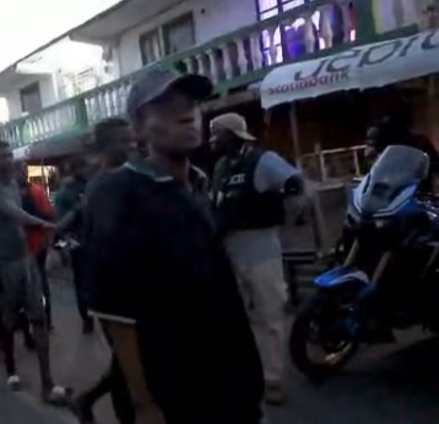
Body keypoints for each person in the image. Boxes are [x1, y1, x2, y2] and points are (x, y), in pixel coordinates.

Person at [85, 68, 264, 423]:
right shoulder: (118, 191)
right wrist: (143, 403)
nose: (187, 115)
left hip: (230, 381)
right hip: (173, 393)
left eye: (191, 105)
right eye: (167, 108)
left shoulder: (196, 185)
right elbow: (115, 310)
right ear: (138, 129)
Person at [210, 112, 304, 405]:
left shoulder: (262, 160)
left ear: (233, 134)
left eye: (216, 133)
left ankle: (273, 377)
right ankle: (249, 371)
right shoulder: (221, 167)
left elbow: (294, 182)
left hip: (260, 248)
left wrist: (290, 216)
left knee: (269, 314)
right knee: (239, 317)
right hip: (230, 250)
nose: (211, 139)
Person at [0, 140, 67, 404]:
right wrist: (46, 224)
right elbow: (15, 214)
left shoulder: (12, 185)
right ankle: (11, 369)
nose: (8, 160)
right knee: (8, 321)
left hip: (24, 259)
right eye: (2, 156)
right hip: (4, 263)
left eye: (9, 155)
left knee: (38, 317)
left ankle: (48, 383)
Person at [72, 118, 136, 424]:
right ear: (106, 147)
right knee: (128, 362)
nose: (132, 145)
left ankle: (87, 400)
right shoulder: (105, 186)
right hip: (115, 292)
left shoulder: (123, 179)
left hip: (124, 288)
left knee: (129, 361)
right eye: (124, 140)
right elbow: (110, 241)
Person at [55, 157, 95, 333]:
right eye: (83, 167)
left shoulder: (92, 185)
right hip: (78, 243)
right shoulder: (65, 193)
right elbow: (60, 225)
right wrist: (64, 248)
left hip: (95, 241)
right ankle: (86, 317)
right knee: (81, 283)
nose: (87, 170)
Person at [14, 160, 55, 329]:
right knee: (23, 288)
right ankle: (27, 324)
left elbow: (49, 215)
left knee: (39, 284)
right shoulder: (9, 194)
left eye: (24, 170)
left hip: (36, 246)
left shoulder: (36, 191)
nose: (23, 173)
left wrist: (48, 239)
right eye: (20, 170)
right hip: (19, 248)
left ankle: (45, 320)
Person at [365, 115, 439, 192]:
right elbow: (370, 160)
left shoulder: (419, 142)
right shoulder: (383, 144)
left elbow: (435, 163)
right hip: (391, 189)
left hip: (418, 188)